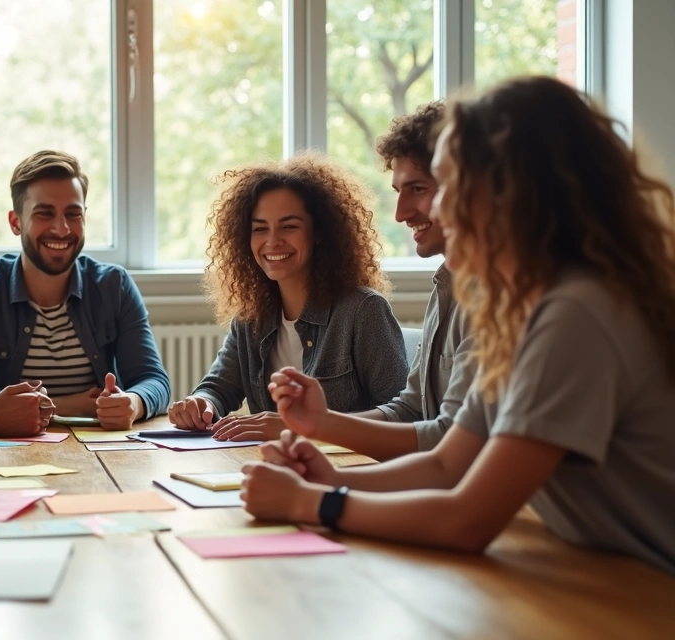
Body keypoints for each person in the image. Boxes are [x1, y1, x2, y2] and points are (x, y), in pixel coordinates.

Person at [245, 76, 675, 575]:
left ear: (511, 193)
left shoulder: (577, 310)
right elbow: (448, 464)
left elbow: (468, 520)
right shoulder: (518, 311)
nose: (434, 208)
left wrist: (310, 503)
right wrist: (327, 482)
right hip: (611, 574)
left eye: (448, 185)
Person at [255, 103, 476, 460]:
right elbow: (410, 411)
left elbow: (447, 446)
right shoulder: (447, 286)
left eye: (418, 188)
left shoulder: (504, 300)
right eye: (399, 190)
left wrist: (323, 457)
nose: (400, 213)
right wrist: (316, 425)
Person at [168, 153, 408, 437]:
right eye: (260, 229)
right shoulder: (250, 316)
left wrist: (302, 427)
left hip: (345, 462)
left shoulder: (363, 310)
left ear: (319, 232)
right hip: (272, 460)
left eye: (290, 226)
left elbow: (402, 416)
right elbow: (218, 388)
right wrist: (202, 403)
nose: (272, 241)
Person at [0, 150, 170, 435]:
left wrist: (133, 402)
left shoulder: (114, 285)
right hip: (6, 445)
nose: (62, 229)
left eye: (74, 214)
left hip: (97, 445)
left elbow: (154, 380)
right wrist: (63, 406)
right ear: (15, 222)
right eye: (44, 214)